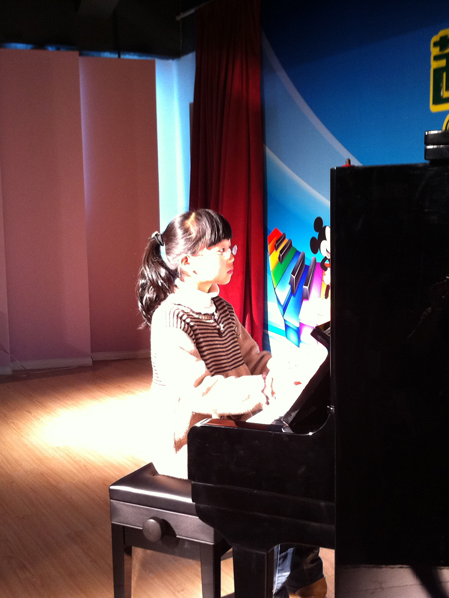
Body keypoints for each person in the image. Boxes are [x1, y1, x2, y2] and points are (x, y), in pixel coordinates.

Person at [137, 209, 327, 598]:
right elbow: (201, 391)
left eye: (231, 247)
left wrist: (286, 370)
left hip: (229, 429)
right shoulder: (171, 317)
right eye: (221, 249)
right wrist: (265, 388)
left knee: (303, 464)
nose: (232, 255)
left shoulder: (221, 308)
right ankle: (278, 585)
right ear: (188, 262)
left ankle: (300, 573)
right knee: (275, 477)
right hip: (190, 443)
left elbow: (255, 360)